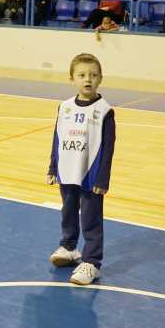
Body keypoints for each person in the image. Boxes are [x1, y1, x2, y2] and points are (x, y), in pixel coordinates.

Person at [46, 53, 117, 286]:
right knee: (67, 211)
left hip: (90, 176)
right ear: (72, 79)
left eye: (93, 75)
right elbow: (57, 138)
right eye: (82, 75)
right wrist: (53, 167)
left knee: (90, 218)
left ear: (101, 78)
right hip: (67, 171)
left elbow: (108, 148)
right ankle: (69, 248)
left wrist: (102, 178)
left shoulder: (104, 111)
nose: (88, 79)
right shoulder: (65, 107)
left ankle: (92, 262)